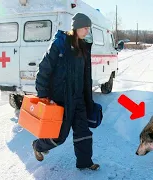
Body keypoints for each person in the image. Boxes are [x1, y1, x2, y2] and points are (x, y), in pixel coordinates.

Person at [32, 13, 100, 171]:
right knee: (59, 136)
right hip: (62, 99)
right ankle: (38, 146)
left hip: (79, 99)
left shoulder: (83, 46)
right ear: (76, 28)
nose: (87, 31)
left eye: (88, 28)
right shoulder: (60, 43)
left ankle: (85, 162)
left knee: (83, 132)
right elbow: (44, 69)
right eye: (85, 28)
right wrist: (42, 95)